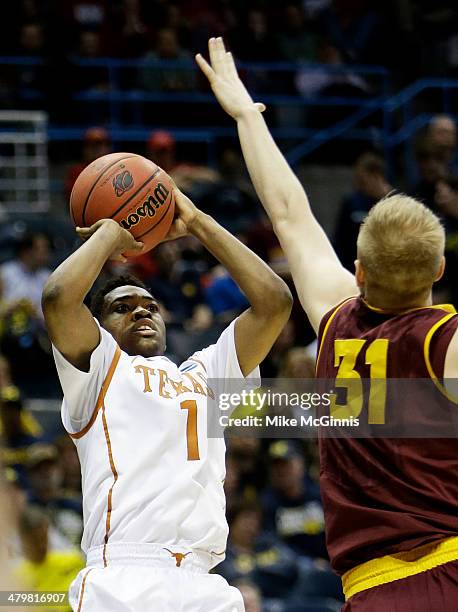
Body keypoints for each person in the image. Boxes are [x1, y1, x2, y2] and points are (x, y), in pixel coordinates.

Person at [197, 37, 458, 610]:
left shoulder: (336, 318)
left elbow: (288, 212)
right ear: (439, 268)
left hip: (369, 587)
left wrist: (245, 114)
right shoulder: (447, 340)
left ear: (359, 270)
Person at [41, 186, 292, 611]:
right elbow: (58, 298)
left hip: (205, 583)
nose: (141, 311)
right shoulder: (100, 368)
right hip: (124, 574)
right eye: (123, 308)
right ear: (100, 328)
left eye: (150, 306)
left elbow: (274, 302)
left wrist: (198, 223)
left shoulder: (206, 373)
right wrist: (110, 234)